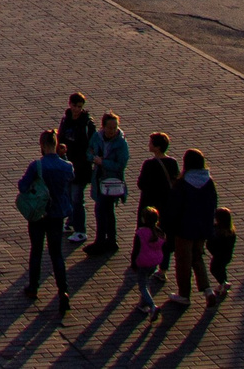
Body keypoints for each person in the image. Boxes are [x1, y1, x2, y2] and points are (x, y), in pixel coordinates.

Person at [18, 129, 75, 308]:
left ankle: (33, 287)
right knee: (56, 253)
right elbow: (71, 179)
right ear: (57, 144)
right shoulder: (67, 166)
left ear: (42, 145)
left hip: (38, 215)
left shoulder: (36, 166)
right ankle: (63, 290)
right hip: (57, 214)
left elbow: (22, 186)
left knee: (36, 250)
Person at [163, 148, 220, 304]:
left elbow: (174, 208)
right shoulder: (208, 181)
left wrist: (168, 225)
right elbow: (213, 205)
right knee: (197, 258)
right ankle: (207, 290)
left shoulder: (182, 183)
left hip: (184, 229)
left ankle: (184, 294)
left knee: (183, 261)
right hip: (202, 228)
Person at [88, 111, 130, 254]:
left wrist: (103, 162)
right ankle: (110, 241)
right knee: (106, 211)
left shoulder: (121, 143)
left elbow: (120, 165)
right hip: (99, 179)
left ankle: (102, 241)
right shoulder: (97, 137)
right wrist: (93, 157)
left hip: (111, 181)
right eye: (110, 127)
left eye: (115, 127)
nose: (113, 130)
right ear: (103, 127)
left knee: (102, 210)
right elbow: (89, 150)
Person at [57, 94, 96, 246]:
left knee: (77, 198)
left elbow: (91, 144)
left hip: (81, 167)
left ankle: (81, 231)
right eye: (75, 106)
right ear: (70, 105)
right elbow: (61, 137)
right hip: (67, 164)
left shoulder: (87, 123)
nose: (77, 109)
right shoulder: (65, 119)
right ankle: (71, 222)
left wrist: (87, 159)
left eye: (80, 107)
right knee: (68, 195)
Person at [128, 206, 168, 308]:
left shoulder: (141, 233)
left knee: (142, 285)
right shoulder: (160, 232)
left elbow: (136, 250)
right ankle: (143, 303)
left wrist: (133, 262)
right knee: (146, 281)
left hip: (143, 262)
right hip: (155, 262)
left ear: (143, 219)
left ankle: (152, 306)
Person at [208, 206, 236, 300]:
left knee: (214, 269)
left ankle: (223, 283)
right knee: (221, 269)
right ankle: (223, 286)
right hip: (227, 255)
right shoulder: (230, 231)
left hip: (218, 256)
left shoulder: (218, 231)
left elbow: (212, 242)